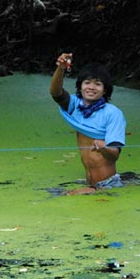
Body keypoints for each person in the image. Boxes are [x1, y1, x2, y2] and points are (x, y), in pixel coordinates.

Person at [49, 52, 126, 193]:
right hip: (90, 184)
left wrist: (104, 148)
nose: (91, 87)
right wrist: (61, 68)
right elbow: (56, 93)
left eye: (97, 84)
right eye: (87, 82)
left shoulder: (113, 113)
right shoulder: (74, 106)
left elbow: (115, 154)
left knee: (66, 196)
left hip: (108, 186)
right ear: (80, 87)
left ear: (105, 90)